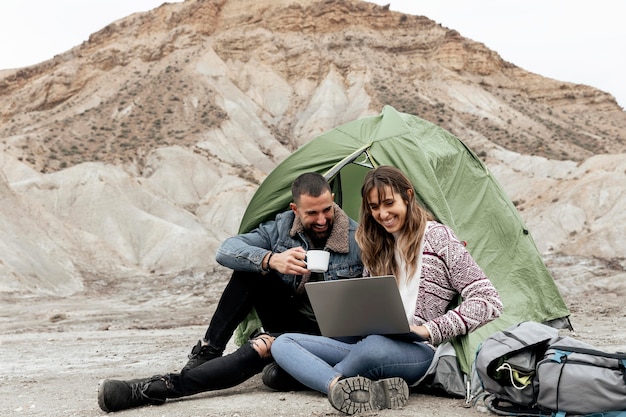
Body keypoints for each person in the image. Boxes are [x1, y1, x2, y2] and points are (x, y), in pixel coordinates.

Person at [97, 172, 363, 412]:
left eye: (327, 210)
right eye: (311, 213)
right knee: (250, 271)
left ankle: (154, 388)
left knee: (261, 348)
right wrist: (272, 259)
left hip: (330, 335)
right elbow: (225, 250)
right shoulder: (282, 228)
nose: (321, 219)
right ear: (295, 209)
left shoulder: (358, 238)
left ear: (334, 200)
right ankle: (209, 351)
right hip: (291, 321)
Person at [271, 165, 503, 415]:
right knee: (284, 342)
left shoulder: (438, 238)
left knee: (365, 351)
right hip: (367, 342)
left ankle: (308, 375)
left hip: (418, 349)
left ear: (408, 196)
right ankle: (339, 385)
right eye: (374, 207)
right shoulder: (375, 244)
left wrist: (428, 330)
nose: (382, 214)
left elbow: (488, 301)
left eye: (389, 203)